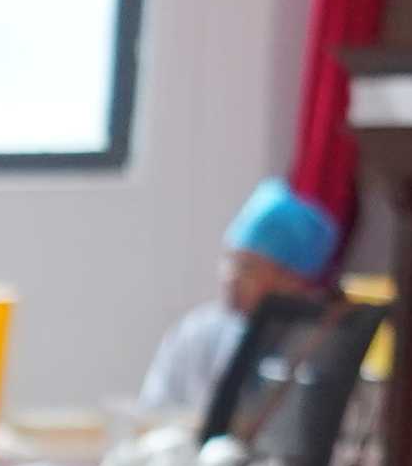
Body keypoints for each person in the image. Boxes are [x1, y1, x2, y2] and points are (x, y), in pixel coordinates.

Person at [135, 176, 342, 430]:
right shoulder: (197, 332)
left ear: (293, 280)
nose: (231, 276)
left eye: (248, 267)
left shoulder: (317, 346)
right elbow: (152, 414)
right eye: (229, 260)